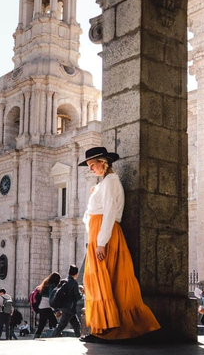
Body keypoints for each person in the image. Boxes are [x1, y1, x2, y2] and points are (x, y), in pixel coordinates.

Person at [79, 147, 160, 343]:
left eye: (92, 164)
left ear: (103, 162)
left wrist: (101, 242)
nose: (90, 169)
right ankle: (103, 327)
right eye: (89, 165)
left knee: (102, 281)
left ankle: (106, 329)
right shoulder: (105, 183)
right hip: (99, 234)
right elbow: (93, 214)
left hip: (103, 235)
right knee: (102, 281)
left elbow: (109, 212)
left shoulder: (110, 182)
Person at [51, 265, 83, 337]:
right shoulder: (74, 283)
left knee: (76, 325)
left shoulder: (63, 281)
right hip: (70, 308)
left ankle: (78, 337)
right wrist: (82, 293)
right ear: (76, 274)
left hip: (65, 307)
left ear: (68, 272)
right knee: (61, 325)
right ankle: (53, 335)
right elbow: (78, 296)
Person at [34, 272, 60, 338]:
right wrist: (56, 310)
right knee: (55, 323)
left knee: (41, 325)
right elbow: (51, 297)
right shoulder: (51, 285)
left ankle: (36, 336)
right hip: (46, 307)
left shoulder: (46, 284)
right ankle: (59, 336)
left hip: (42, 307)